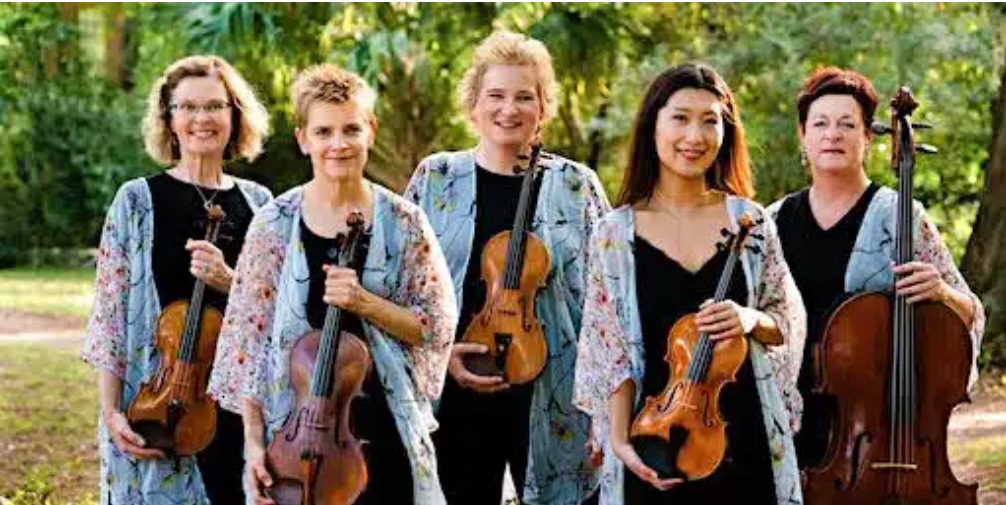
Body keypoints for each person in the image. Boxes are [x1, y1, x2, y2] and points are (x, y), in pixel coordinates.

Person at [207, 63, 457, 505]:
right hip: (294, 440)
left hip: (385, 431)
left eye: (351, 129)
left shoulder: (405, 222)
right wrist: (254, 445)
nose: (338, 144)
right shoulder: (273, 224)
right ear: (303, 139)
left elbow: (434, 327)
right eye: (323, 132)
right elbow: (247, 343)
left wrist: (364, 302)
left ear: (370, 130)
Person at [572, 63, 806, 504]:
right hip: (655, 442)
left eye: (709, 121)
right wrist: (621, 443)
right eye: (680, 118)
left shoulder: (752, 222)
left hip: (744, 441)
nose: (694, 136)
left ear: (726, 131)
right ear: (653, 125)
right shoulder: (613, 234)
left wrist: (748, 318)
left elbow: (786, 323)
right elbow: (609, 351)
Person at [405, 30, 611, 504]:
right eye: (495, 95)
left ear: (543, 107)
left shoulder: (576, 185)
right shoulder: (436, 177)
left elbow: (607, 302)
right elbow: (400, 287)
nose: (509, 109)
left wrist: (606, 410)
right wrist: (440, 356)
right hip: (453, 390)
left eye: (525, 97)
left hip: (557, 392)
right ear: (474, 104)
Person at [767, 67, 986, 470]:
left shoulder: (901, 216)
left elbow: (971, 312)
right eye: (820, 123)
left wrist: (941, 293)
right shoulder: (773, 221)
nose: (833, 134)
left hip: (878, 432)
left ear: (868, 136)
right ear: (803, 135)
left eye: (847, 124)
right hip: (786, 424)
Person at [81, 55, 273, 504]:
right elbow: (110, 317)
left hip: (240, 409)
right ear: (168, 119)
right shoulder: (136, 201)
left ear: (234, 116)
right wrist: (111, 412)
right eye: (187, 107)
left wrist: (229, 281)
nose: (201, 118)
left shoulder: (261, 204)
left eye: (215, 106)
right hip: (156, 405)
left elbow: (282, 312)